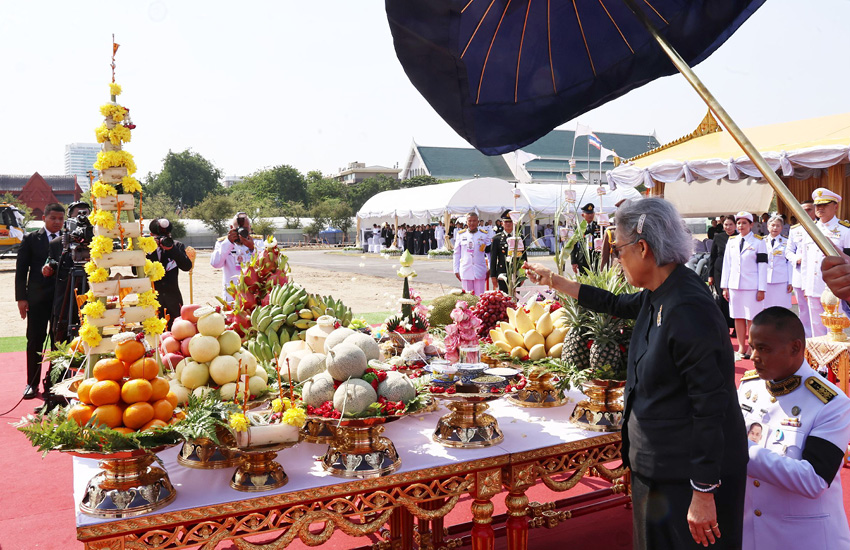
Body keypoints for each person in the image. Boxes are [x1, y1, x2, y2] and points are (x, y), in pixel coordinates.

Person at [525, 198, 747, 550]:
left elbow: (711, 404)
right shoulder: (659, 292)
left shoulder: (688, 306)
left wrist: (704, 490)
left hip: (687, 475)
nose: (617, 257)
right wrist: (556, 282)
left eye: (618, 248)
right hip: (658, 466)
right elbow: (615, 305)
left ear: (642, 248)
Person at [739, 307, 850, 550]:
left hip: (804, 538)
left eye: (764, 348)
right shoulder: (749, 389)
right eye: (752, 346)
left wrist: (741, 449)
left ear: (796, 348)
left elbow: (814, 480)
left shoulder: (831, 403)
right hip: (752, 534)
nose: (754, 356)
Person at [16, 203, 65, 399]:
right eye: (53, 218)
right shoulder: (30, 239)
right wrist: (21, 298)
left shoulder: (67, 240)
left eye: (60, 219)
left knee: (58, 341)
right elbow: (21, 271)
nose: (57, 222)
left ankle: (53, 383)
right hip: (36, 300)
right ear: (44, 217)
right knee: (35, 339)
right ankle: (31, 383)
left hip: (60, 299)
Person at [801, 188, 850, 337]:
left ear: (835, 206)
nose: (820, 208)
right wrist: (805, 285)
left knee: (835, 328)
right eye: (817, 205)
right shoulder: (809, 229)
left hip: (834, 288)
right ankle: (817, 360)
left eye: (825, 204)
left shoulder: (845, 230)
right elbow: (805, 260)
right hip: (813, 285)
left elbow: (848, 261)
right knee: (816, 327)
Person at [721, 212, 767, 359]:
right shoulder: (732, 241)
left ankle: (751, 347)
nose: (741, 226)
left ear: (751, 225)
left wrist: (762, 288)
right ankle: (741, 347)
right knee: (738, 316)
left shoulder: (759, 242)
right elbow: (727, 264)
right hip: (735, 285)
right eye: (739, 223)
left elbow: (763, 266)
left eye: (744, 223)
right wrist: (725, 286)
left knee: (752, 318)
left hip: (752, 286)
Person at [146, 219, 193, 329]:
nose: (162, 239)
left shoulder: (177, 246)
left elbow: (186, 266)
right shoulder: (145, 248)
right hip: (151, 300)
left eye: (166, 235)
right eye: (158, 237)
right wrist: (150, 249)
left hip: (173, 299)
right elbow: (135, 271)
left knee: (176, 332)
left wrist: (172, 249)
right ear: (151, 235)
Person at [210, 212, 264, 301]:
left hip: (254, 293)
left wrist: (252, 248)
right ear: (231, 228)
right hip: (232, 295)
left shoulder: (257, 242)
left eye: (245, 229)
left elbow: (264, 264)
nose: (242, 232)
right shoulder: (222, 243)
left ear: (250, 228)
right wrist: (228, 243)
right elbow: (215, 264)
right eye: (238, 229)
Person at [785, 200, 817, 338]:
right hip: (799, 274)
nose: (806, 212)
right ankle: (807, 338)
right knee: (803, 309)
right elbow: (788, 251)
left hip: (816, 275)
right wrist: (795, 258)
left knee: (818, 308)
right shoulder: (795, 230)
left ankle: (820, 337)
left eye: (809, 209)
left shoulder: (821, 228)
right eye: (803, 209)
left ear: (815, 210)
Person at [709, 216, 737, 330]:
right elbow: (713, 256)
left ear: (735, 226)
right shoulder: (719, 237)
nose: (728, 227)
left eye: (731, 224)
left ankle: (736, 326)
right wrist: (710, 275)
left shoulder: (739, 238)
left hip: (735, 271)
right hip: (719, 271)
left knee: (735, 298)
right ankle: (724, 325)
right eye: (726, 225)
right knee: (722, 299)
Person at [453, 212, 491, 295]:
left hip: (480, 270)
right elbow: (456, 253)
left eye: (474, 221)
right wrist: (456, 269)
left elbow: (489, 253)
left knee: (480, 297)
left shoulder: (484, 235)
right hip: (466, 269)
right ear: (466, 222)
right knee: (467, 298)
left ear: (478, 222)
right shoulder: (461, 235)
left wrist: (490, 267)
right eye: (469, 221)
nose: (472, 223)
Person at [489, 210, 526, 293]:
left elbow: (523, 257)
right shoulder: (497, 239)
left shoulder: (519, 238)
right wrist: (493, 276)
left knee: (516, 295)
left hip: (516, 272)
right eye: (506, 222)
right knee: (503, 297)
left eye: (510, 222)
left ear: (514, 223)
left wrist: (523, 274)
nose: (508, 224)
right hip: (502, 272)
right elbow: (493, 258)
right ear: (502, 223)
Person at [762, 215, 793, 309]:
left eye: (778, 226)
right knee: (765, 308)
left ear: (782, 227)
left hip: (781, 280)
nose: (775, 228)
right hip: (765, 279)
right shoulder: (761, 242)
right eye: (773, 225)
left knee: (781, 308)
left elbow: (790, 263)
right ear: (768, 226)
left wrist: (790, 282)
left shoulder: (787, 242)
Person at [571, 203, 600, 273]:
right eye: (588, 214)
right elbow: (572, 245)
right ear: (583, 215)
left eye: (592, 213)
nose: (590, 215)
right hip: (582, 259)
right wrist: (573, 261)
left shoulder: (599, 227)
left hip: (596, 258)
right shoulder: (578, 227)